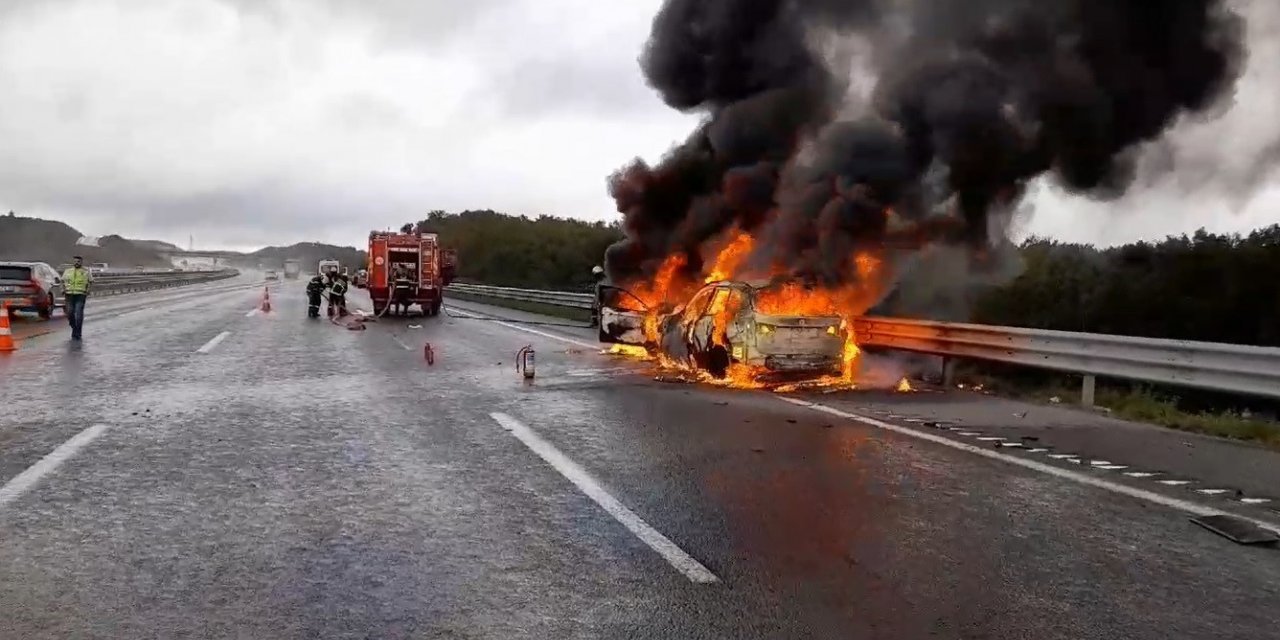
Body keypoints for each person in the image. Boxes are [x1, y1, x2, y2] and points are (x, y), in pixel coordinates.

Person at [60, 255, 92, 340]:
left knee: (78, 314)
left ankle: (78, 332)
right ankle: (74, 328)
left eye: (78, 261)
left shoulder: (86, 271)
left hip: (80, 295)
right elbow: (62, 281)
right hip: (69, 294)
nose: (76, 263)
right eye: (75, 261)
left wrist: (88, 290)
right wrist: (62, 289)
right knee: (69, 313)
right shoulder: (68, 271)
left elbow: (90, 282)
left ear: (81, 262)